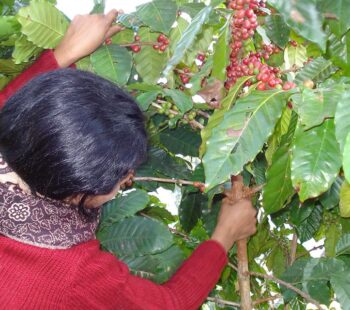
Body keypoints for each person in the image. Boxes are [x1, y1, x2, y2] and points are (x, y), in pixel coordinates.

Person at [0, 9, 257, 309]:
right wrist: (225, 235)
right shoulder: (74, 273)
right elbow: (170, 304)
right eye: (119, 181)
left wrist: (64, 53)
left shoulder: (13, 135)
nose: (127, 179)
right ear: (76, 192)